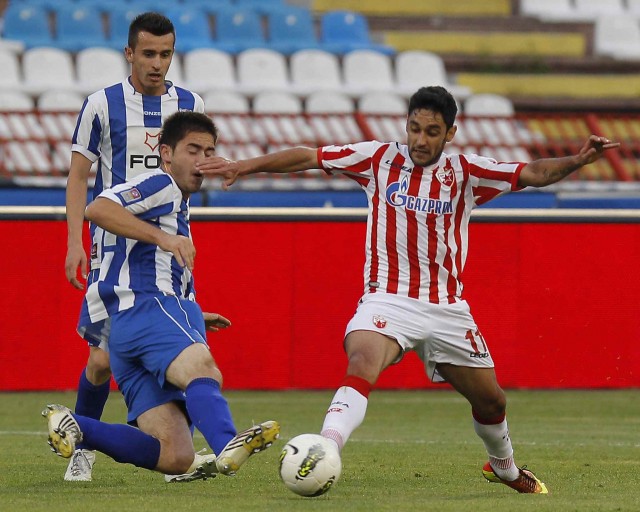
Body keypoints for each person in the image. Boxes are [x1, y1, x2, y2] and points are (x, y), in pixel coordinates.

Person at [199, 86, 619, 494]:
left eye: (432, 132)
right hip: (388, 298)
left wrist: (578, 160)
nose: (420, 140)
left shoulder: (466, 172)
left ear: (450, 133)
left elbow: (532, 173)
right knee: (362, 361)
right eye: (414, 129)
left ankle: (504, 468)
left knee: (492, 402)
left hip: (446, 308)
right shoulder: (378, 158)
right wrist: (244, 166)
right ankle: (326, 446)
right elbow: (310, 156)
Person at [44, 111, 280, 482]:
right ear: (166, 154)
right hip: (147, 307)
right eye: (193, 150)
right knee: (202, 369)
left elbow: (161, 264)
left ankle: (78, 426)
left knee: (175, 454)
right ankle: (226, 444)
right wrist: (165, 239)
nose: (202, 161)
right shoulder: (161, 184)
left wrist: (194, 311)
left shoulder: (176, 204)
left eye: (209, 152)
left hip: (127, 330)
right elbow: (98, 208)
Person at [64, 12, 206, 481]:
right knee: (101, 361)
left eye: (165, 54)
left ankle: (176, 454)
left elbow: (196, 169)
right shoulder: (101, 105)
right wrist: (73, 241)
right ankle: (81, 444)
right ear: (129, 53)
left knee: (174, 350)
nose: (157, 63)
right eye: (148, 53)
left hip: (170, 253)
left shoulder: (190, 104)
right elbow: (79, 177)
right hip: (114, 250)